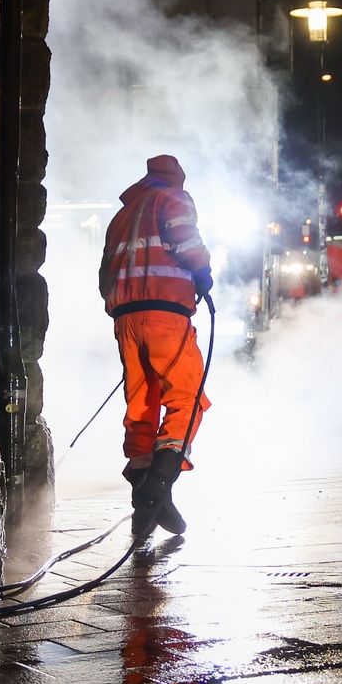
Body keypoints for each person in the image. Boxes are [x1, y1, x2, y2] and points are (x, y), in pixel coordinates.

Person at [100, 154, 213, 541]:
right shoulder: (173, 198)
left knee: (141, 403)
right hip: (165, 313)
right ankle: (156, 490)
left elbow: (105, 271)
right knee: (187, 396)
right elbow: (187, 242)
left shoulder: (123, 214)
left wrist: (120, 305)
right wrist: (203, 273)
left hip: (125, 317)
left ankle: (146, 498)